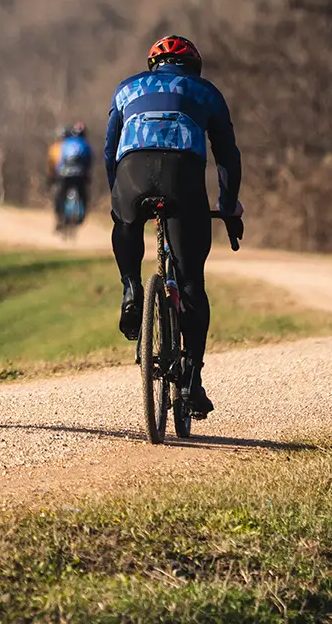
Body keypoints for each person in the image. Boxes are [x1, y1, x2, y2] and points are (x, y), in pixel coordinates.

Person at [104, 35, 244, 419]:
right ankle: (190, 381)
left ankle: (131, 287)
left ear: (153, 67)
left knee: (126, 223)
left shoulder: (126, 89)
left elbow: (108, 150)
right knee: (191, 283)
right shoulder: (206, 91)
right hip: (182, 178)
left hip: (131, 174)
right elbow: (227, 155)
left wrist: (117, 199)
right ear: (193, 67)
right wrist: (229, 207)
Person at [49, 122, 93, 229]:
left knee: (60, 195)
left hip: (65, 174)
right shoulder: (86, 144)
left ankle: (59, 216)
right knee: (83, 195)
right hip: (81, 175)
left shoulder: (65, 144)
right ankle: (81, 217)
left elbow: (61, 160)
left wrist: (57, 173)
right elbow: (89, 161)